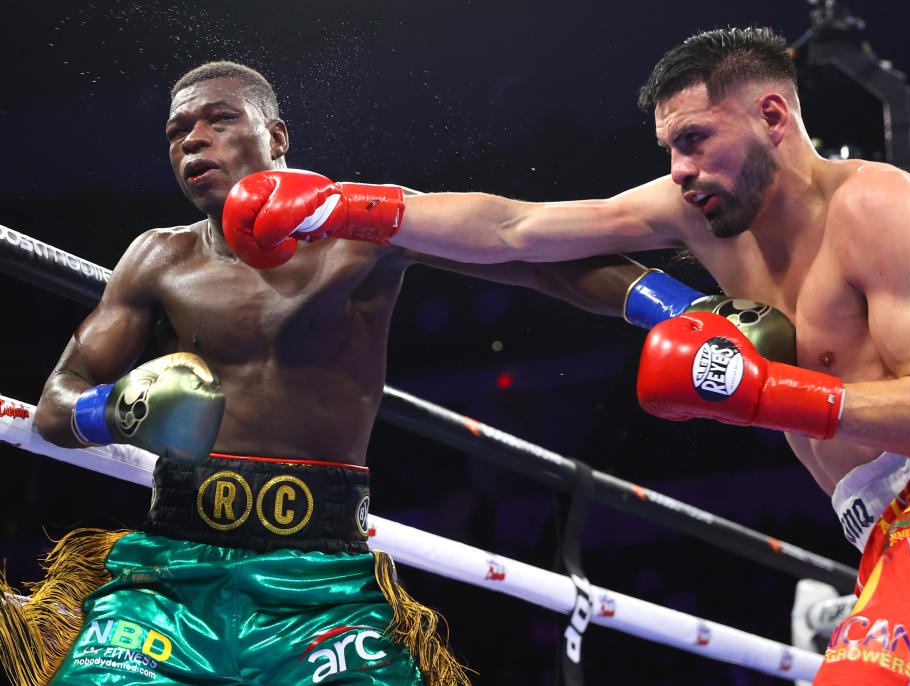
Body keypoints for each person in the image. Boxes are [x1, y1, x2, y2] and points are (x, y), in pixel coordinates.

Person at [221, 27, 910, 684]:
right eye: (669, 148)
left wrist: (764, 392)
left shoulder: (879, 207)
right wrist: (346, 205)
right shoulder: (702, 213)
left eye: (696, 139)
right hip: (878, 531)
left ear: (773, 116)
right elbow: (516, 228)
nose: (677, 169)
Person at [0, 60, 669, 686]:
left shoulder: (362, 231)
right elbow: (55, 405)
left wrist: (673, 309)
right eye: (177, 132)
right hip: (173, 570)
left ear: (277, 135)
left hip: (323, 584)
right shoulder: (156, 258)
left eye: (218, 120)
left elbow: (527, 251)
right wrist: (114, 410)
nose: (194, 142)